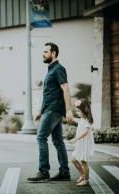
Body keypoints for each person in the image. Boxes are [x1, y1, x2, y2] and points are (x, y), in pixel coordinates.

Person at [27, 42, 73, 181]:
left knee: (41, 137)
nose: (43, 54)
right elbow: (50, 94)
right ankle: (64, 172)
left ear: (53, 53)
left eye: (46, 52)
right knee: (58, 141)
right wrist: (40, 110)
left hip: (53, 110)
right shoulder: (51, 70)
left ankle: (44, 171)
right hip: (50, 109)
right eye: (43, 52)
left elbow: (66, 89)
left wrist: (69, 110)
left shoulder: (58, 69)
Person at [69, 99, 95, 186]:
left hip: (85, 144)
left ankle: (86, 181)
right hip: (80, 144)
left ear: (84, 110)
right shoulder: (82, 119)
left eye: (78, 111)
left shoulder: (88, 120)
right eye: (76, 111)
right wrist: (72, 118)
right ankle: (83, 176)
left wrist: (75, 139)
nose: (77, 112)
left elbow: (85, 132)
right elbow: (79, 121)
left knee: (84, 162)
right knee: (73, 159)